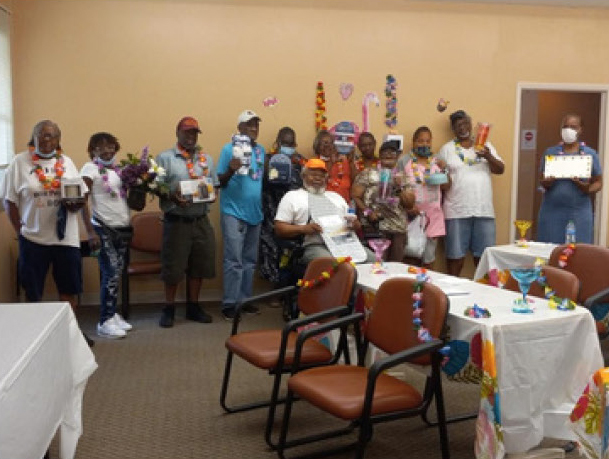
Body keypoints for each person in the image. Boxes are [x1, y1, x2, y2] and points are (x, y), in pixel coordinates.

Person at [0, 120, 93, 346]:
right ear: (33, 137)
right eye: (40, 135)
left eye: (51, 136)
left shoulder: (67, 162)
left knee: (69, 288)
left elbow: (82, 195)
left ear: (58, 139)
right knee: (33, 291)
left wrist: (76, 204)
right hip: (33, 238)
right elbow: (9, 201)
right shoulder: (19, 163)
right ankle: (37, 338)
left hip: (65, 238)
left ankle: (70, 334)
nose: (45, 139)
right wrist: (20, 230)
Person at [155, 116, 218, 328]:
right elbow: (155, 187)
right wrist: (171, 196)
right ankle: (169, 308)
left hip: (201, 219)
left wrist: (212, 194)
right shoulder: (165, 158)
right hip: (177, 221)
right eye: (187, 132)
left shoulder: (206, 159)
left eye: (194, 133)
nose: (190, 137)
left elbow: (213, 185)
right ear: (178, 133)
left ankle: (193, 306)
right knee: (173, 268)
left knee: (199, 265)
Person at [437, 110, 504, 277]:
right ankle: (452, 297)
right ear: (453, 129)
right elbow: (440, 179)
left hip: (484, 211)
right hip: (456, 211)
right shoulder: (447, 149)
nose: (462, 128)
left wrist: (488, 155)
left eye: (465, 123)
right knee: (455, 258)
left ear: (471, 125)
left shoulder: (485, 145)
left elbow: (500, 169)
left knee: (484, 260)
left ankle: (485, 295)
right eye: (458, 125)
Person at [80, 132, 133, 339]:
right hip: (102, 228)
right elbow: (82, 200)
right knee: (110, 272)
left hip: (122, 228)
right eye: (100, 147)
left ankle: (112, 313)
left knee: (116, 273)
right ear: (93, 150)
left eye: (110, 146)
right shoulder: (90, 169)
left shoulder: (120, 170)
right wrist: (90, 232)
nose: (106, 150)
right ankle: (104, 320)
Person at [217, 110, 265, 320]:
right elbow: (219, 181)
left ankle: (244, 300)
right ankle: (229, 303)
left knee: (250, 260)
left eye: (256, 124)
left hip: (255, 213)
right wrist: (230, 169)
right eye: (248, 125)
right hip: (233, 212)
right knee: (234, 260)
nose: (253, 128)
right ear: (240, 128)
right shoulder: (229, 150)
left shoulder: (261, 151)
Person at [275, 158, 366, 264]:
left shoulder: (336, 197)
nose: (318, 178)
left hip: (344, 243)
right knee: (335, 265)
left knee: (372, 260)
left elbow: (356, 224)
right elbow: (279, 229)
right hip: (314, 245)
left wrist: (355, 224)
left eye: (322, 176)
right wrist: (303, 229)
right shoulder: (292, 196)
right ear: (303, 176)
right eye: (313, 175)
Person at [537, 113, 603, 244]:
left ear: (580, 130)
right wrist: (547, 183)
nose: (568, 130)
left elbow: (599, 182)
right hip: (552, 211)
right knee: (550, 250)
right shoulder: (550, 152)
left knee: (578, 251)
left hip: (579, 211)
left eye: (573, 127)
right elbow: (542, 181)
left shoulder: (589, 154)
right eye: (565, 126)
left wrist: (586, 188)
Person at [351, 140, 415, 262]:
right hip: (375, 227)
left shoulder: (403, 177)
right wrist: (368, 212)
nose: (388, 155)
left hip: (397, 228)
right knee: (375, 265)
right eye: (385, 152)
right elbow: (355, 196)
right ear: (380, 155)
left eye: (392, 152)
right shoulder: (368, 173)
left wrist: (400, 187)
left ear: (397, 155)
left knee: (395, 267)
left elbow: (409, 204)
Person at [259, 127, 306, 288]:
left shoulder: (301, 162)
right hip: (271, 214)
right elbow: (263, 181)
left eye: (290, 143)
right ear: (277, 142)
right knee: (270, 253)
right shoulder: (267, 160)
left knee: (289, 256)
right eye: (284, 142)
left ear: (295, 144)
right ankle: (274, 291)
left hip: (293, 218)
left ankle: (287, 290)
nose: (287, 145)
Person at [398, 126, 449, 268]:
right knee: (411, 256)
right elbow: (397, 187)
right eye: (420, 141)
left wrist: (444, 169)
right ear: (413, 142)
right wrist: (408, 206)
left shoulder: (438, 160)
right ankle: (409, 289)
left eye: (428, 141)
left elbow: (446, 187)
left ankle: (425, 289)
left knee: (428, 259)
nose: (424, 144)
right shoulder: (404, 161)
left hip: (433, 217)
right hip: (411, 216)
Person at [313, 130, 355, 203]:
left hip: (344, 204)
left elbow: (355, 180)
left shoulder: (343, 161)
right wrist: (332, 163)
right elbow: (320, 182)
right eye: (325, 143)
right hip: (324, 205)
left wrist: (351, 162)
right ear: (318, 146)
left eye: (331, 143)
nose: (328, 146)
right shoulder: (315, 162)